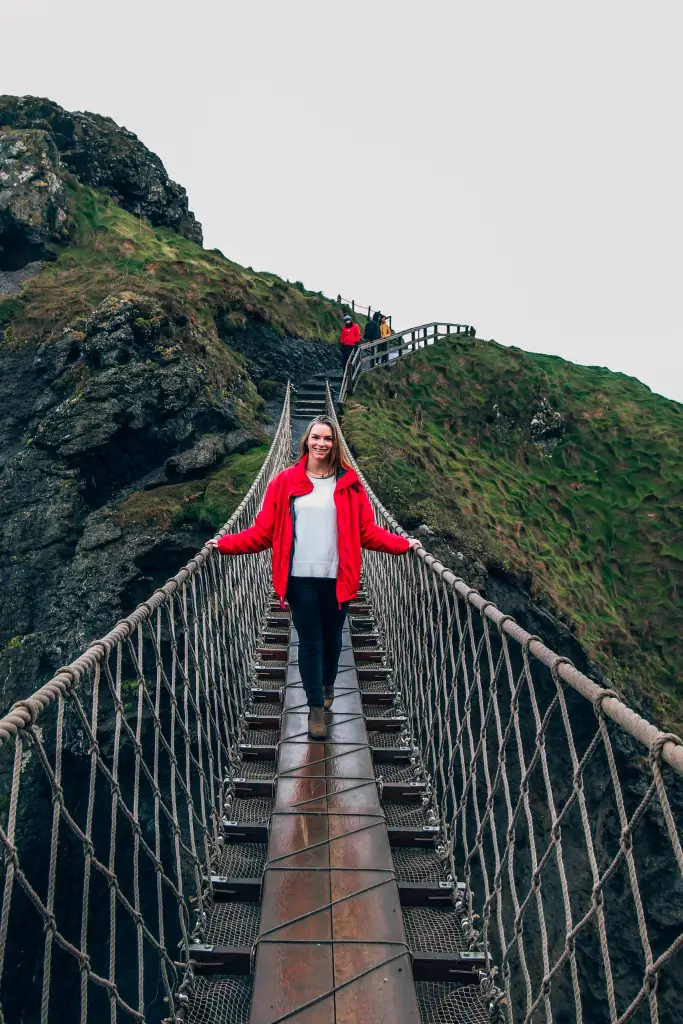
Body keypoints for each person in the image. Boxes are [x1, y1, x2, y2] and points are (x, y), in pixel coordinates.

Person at [207, 416, 420, 740]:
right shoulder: (284, 482)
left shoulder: (349, 484)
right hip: (298, 578)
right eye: (316, 437)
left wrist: (403, 545)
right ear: (306, 441)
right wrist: (223, 545)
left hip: (339, 577)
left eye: (328, 439)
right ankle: (315, 708)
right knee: (309, 641)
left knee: (333, 639)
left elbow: (367, 531)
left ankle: (328, 682)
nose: (322, 444)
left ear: (335, 444)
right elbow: (263, 532)